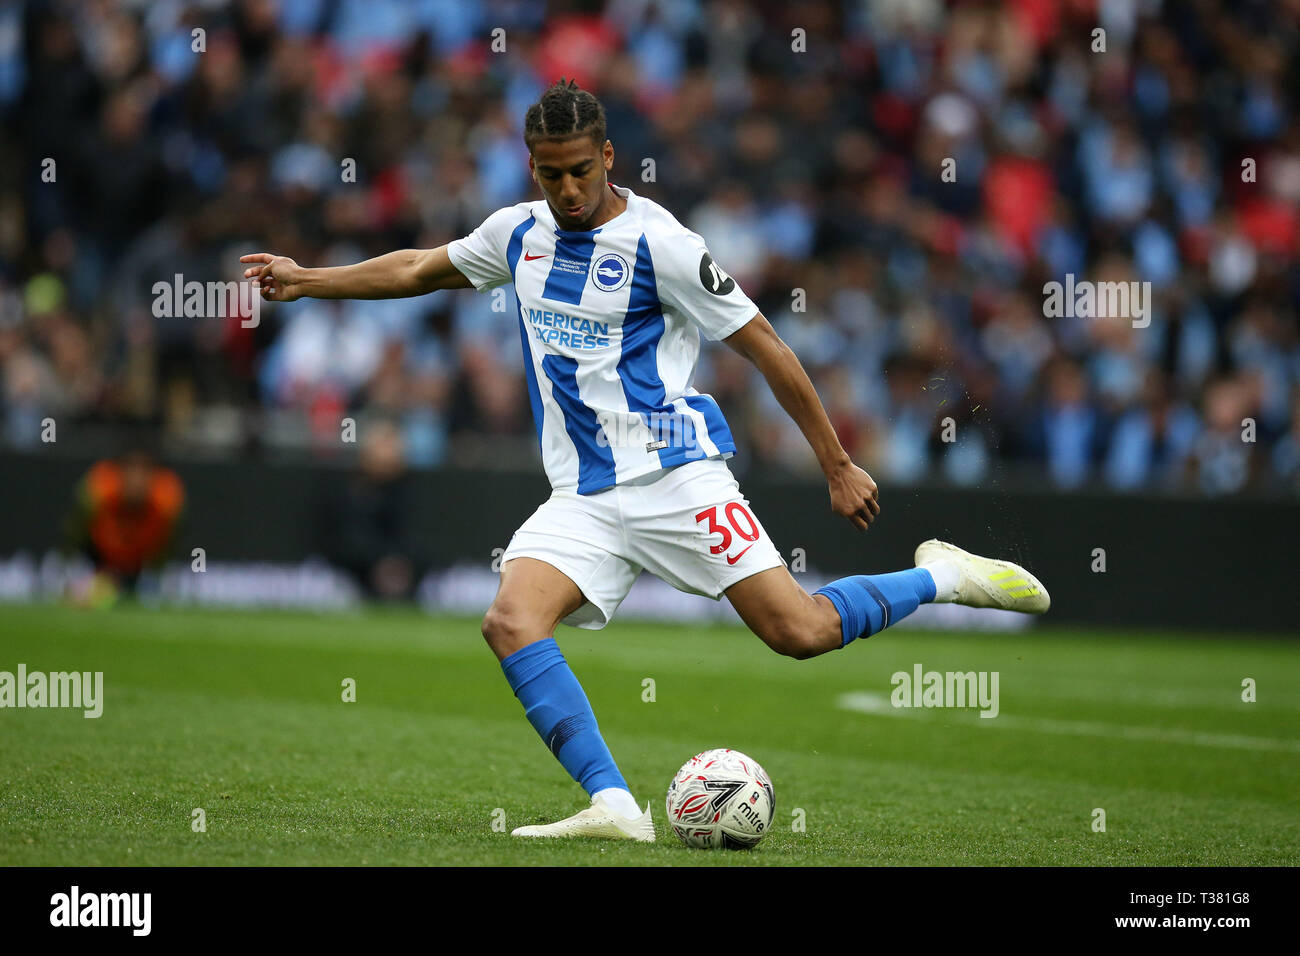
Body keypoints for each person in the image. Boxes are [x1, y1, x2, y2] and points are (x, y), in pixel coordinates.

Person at [240, 79, 1049, 842]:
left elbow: (765, 345)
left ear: (609, 159)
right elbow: (418, 267)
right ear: (532, 167)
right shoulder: (515, 233)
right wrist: (307, 279)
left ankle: (944, 576)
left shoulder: (663, 244)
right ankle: (615, 804)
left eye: (581, 172)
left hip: (676, 477)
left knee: (800, 631)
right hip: (582, 496)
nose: (567, 191)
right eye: (551, 174)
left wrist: (836, 463)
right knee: (510, 621)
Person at [66, 447, 184, 602]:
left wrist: (155, 573)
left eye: (143, 472)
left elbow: (168, 543)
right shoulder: (98, 491)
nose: (137, 480)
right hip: (98, 561)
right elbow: (75, 530)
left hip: (141, 567)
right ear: (120, 473)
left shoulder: (166, 500)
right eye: (131, 471)